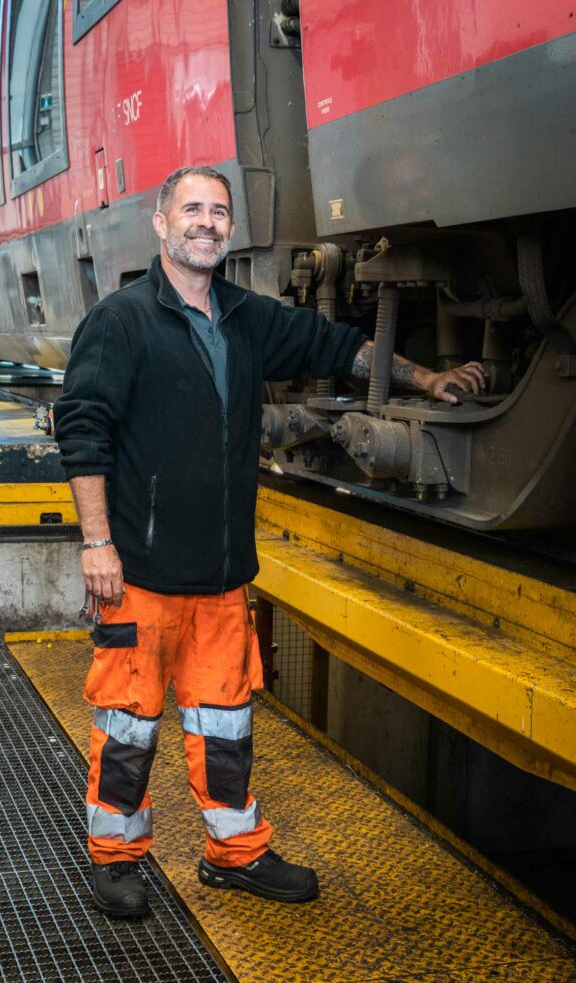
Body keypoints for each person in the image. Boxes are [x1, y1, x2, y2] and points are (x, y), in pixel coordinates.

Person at [53, 166, 484, 918]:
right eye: (192, 208)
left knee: (225, 724)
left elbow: (334, 345)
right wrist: (97, 545)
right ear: (160, 223)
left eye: (219, 211)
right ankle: (115, 857)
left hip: (222, 576)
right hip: (142, 577)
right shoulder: (120, 320)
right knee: (127, 726)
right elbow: (82, 430)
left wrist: (424, 378)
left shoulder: (245, 317)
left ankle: (235, 854)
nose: (207, 222)